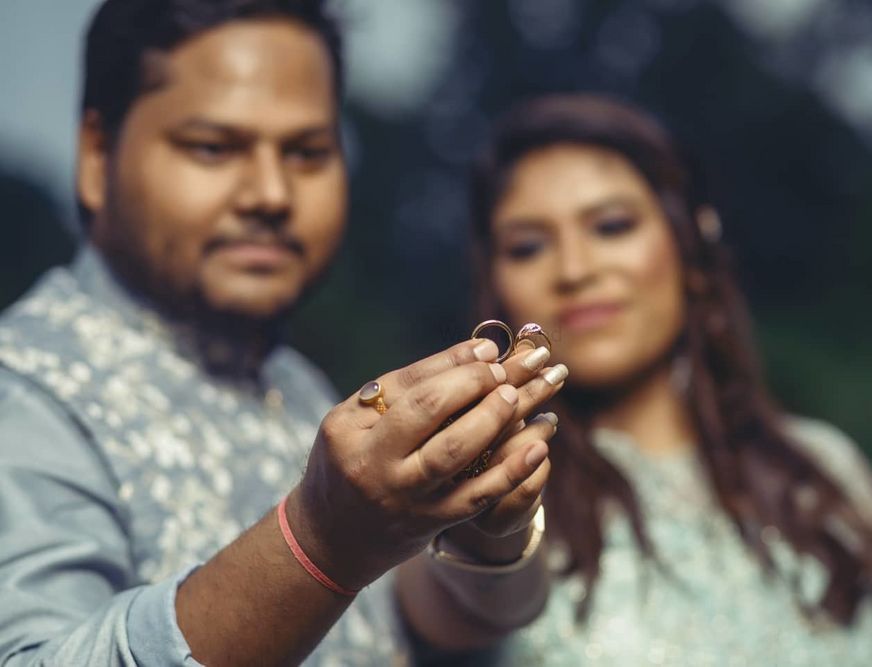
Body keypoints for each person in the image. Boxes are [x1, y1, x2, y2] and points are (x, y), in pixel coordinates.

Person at [0, 2, 570, 665]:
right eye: (213, 147)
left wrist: (482, 525)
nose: (271, 192)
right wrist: (318, 542)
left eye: (307, 152)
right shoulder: (24, 392)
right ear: (98, 155)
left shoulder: (298, 385)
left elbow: (412, 628)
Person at [466, 94, 872, 665]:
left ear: (690, 244)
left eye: (611, 226)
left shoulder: (824, 474)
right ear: (495, 282)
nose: (574, 269)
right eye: (528, 246)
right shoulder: (483, 504)